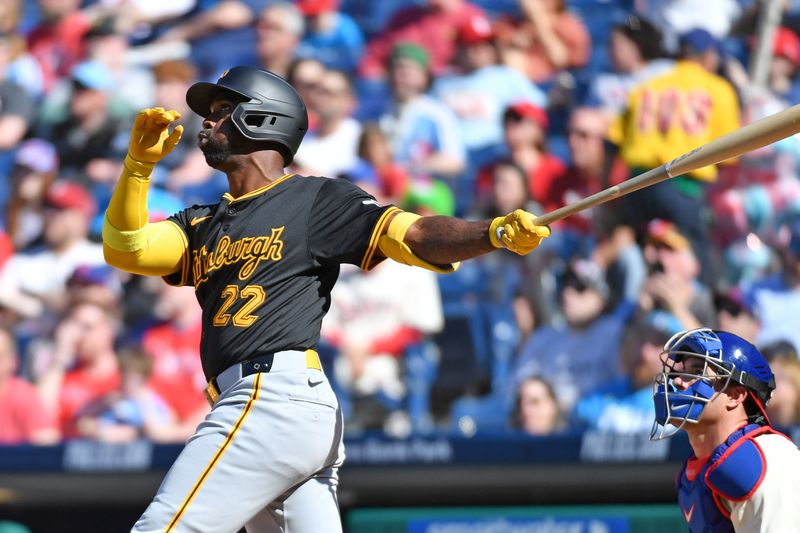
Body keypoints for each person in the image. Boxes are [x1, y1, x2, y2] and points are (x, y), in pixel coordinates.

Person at [101, 65, 551, 532]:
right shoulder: (202, 222)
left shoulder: (314, 200)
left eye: (223, 110)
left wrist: (491, 232)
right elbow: (124, 247)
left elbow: (413, 233)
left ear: (263, 119)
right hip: (276, 409)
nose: (207, 121)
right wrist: (137, 167)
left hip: (270, 396)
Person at [651, 328, 800, 531]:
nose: (677, 381)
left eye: (695, 372)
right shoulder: (700, 468)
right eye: (680, 371)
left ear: (735, 396)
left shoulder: (764, 460)